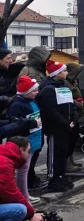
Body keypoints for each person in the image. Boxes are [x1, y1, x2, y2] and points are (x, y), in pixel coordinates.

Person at [6, 76, 44, 205]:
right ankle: (24, 196)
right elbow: (15, 122)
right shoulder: (17, 104)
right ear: (26, 92)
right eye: (34, 91)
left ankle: (25, 193)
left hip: (34, 138)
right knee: (23, 170)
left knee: (26, 169)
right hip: (25, 140)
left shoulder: (31, 100)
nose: (37, 93)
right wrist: (33, 122)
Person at [37, 60, 73, 192]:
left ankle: (61, 175)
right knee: (54, 153)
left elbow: (69, 104)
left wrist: (71, 119)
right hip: (55, 127)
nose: (66, 72)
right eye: (64, 71)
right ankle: (53, 178)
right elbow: (51, 111)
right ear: (56, 74)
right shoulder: (48, 89)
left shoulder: (62, 86)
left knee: (62, 153)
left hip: (65, 125)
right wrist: (64, 122)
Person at [0, 136, 44, 221]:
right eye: (28, 151)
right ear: (21, 150)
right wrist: (31, 214)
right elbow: (11, 193)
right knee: (20, 210)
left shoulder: (4, 157)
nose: (28, 154)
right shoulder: (4, 163)